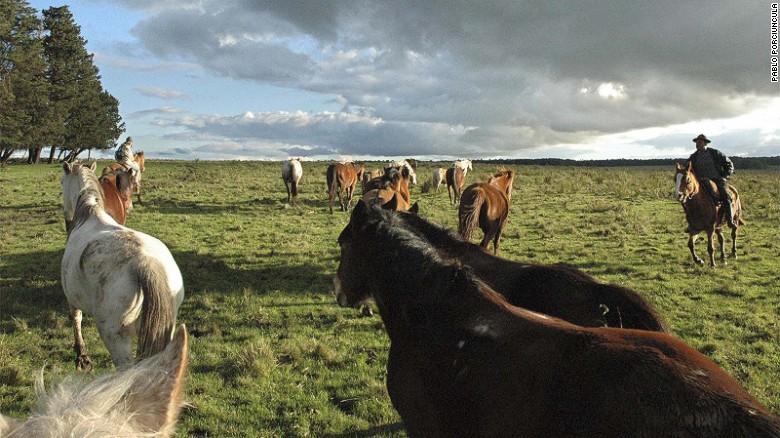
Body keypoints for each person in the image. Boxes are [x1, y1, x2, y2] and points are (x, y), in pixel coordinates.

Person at [686, 134, 736, 226]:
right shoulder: (693, 157)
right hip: (699, 182)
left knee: (725, 196)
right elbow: (687, 169)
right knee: (688, 199)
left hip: (716, 180)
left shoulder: (715, 153)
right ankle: (692, 224)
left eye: (700, 142)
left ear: (705, 143)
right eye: (696, 143)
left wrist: (725, 177)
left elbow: (729, 164)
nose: (697, 144)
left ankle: (730, 220)